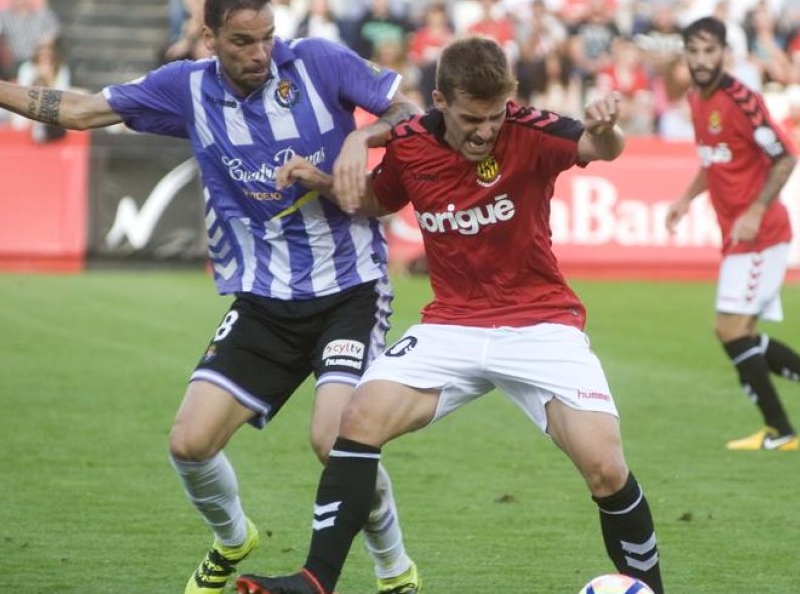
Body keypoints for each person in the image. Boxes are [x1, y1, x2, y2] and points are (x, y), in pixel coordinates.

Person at [0, 0, 423, 594]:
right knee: (190, 442)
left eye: (266, 38)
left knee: (334, 438)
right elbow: (77, 109)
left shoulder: (317, 63)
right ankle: (234, 539)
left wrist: (362, 136)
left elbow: (408, 110)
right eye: (241, 41)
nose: (259, 53)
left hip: (351, 288)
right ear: (208, 38)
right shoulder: (186, 90)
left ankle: (395, 570)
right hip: (263, 298)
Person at [235, 35, 665, 594]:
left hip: (539, 324)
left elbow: (599, 148)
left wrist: (607, 126)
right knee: (357, 421)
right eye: (470, 119)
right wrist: (324, 179)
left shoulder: (530, 131)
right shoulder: (411, 145)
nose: (484, 131)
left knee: (605, 466)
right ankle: (315, 580)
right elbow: (379, 198)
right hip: (451, 325)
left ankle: (648, 588)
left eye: (493, 117)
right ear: (439, 101)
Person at [664, 17, 800, 452]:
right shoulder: (698, 99)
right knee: (743, 335)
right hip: (738, 236)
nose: (701, 60)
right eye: (693, 52)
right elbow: (713, 160)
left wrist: (756, 210)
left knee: (729, 329)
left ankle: (782, 430)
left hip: (762, 234)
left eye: (709, 51)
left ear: (724, 54)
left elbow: (786, 158)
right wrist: (685, 198)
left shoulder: (741, 100)